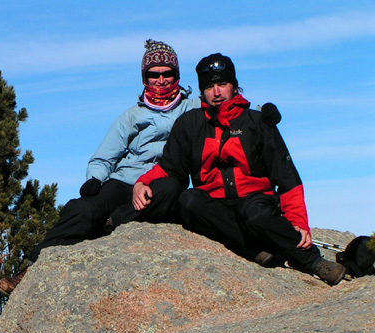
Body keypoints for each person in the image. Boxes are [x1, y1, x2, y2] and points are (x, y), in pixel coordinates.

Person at [0, 40, 200, 296]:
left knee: (169, 192)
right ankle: (31, 269)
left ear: (177, 75)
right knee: (82, 209)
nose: (161, 80)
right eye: (153, 74)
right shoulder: (132, 116)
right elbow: (104, 157)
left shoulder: (193, 108)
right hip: (124, 181)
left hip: (162, 181)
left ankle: (112, 224)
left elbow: (228, 109)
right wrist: (94, 179)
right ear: (144, 78)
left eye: (167, 73)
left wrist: (261, 115)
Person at [133, 53, 345, 286]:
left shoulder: (257, 122)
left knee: (256, 215)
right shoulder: (189, 124)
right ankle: (255, 250)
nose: (216, 92)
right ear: (202, 91)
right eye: (210, 86)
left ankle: (313, 262)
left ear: (234, 86)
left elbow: (286, 177)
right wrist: (142, 183)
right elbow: (170, 168)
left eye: (222, 84)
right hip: (215, 208)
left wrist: (298, 221)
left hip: (255, 202)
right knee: (189, 201)